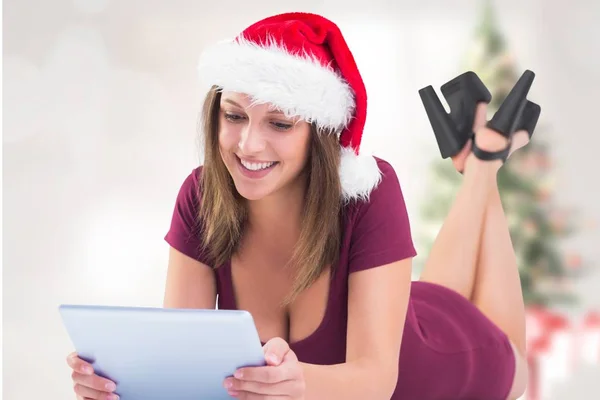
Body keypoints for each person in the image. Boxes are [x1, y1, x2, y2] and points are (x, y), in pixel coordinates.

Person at [66, 12, 531, 400]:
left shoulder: (369, 191)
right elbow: (182, 370)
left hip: (449, 365)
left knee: (514, 359)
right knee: (429, 298)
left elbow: (376, 379)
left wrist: (298, 382)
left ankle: (484, 164)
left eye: (280, 123)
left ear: (321, 132)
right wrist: (119, 386)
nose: (249, 143)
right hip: (404, 310)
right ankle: (480, 159)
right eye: (234, 115)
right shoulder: (200, 196)